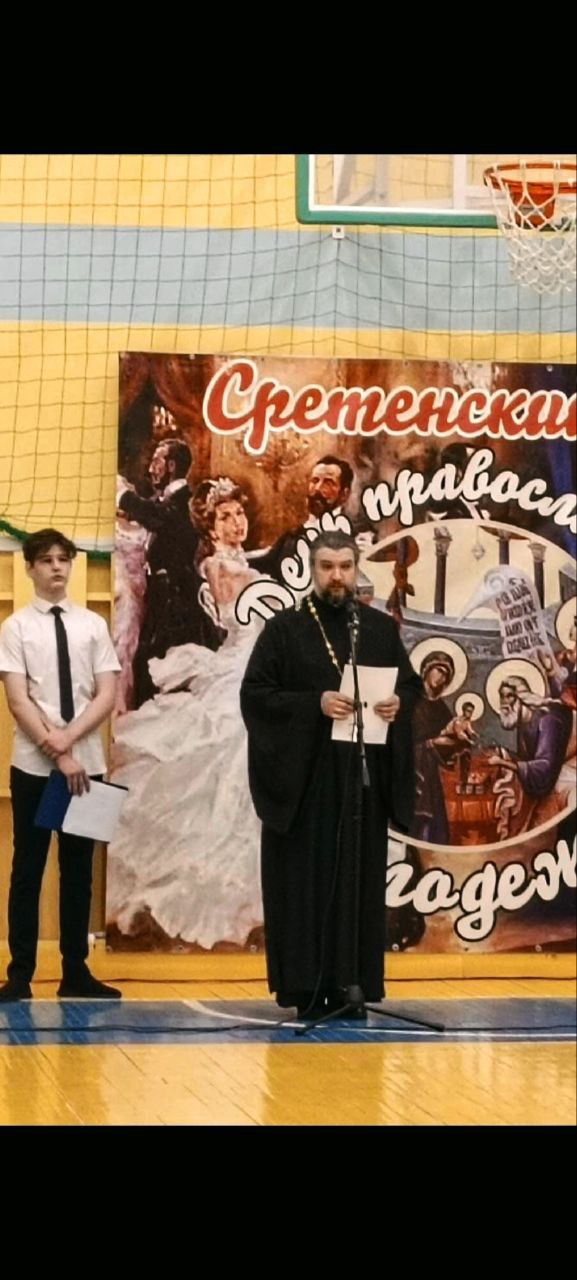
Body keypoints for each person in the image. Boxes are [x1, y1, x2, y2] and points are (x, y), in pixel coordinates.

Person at [239, 530, 422, 1019]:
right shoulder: (284, 630)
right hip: (304, 786)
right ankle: (305, 989)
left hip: (360, 785)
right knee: (305, 888)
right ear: (312, 570)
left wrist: (399, 702)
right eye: (327, 566)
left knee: (356, 886)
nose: (336, 576)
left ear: (356, 568)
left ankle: (351, 985)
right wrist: (313, 704)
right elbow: (255, 696)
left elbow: (410, 685)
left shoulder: (378, 629)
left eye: (345, 566)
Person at [107, 479, 270, 950]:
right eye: (225, 517)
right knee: (221, 753)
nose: (236, 523)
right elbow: (235, 614)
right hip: (240, 663)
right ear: (210, 527)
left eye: (239, 514)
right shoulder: (219, 566)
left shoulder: (247, 563)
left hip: (256, 664)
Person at [0, 529, 122, 1002]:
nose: (56, 567)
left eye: (63, 559)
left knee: (78, 870)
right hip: (35, 766)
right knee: (28, 868)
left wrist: (71, 743)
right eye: (46, 560)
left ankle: (76, 971)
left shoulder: (92, 624)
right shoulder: (16, 628)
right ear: (30, 568)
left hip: (86, 765)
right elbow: (18, 699)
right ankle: (20, 975)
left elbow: (106, 693)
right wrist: (58, 751)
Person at [117, 437, 225, 707]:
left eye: (157, 462)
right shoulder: (164, 501)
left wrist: (122, 495)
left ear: (172, 466)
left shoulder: (183, 502)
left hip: (176, 602)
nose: (150, 469)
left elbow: (157, 516)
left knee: (164, 669)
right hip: (159, 597)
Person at [251, 454, 374, 583]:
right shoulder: (291, 539)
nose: (317, 488)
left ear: (344, 494)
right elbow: (264, 564)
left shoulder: (359, 539)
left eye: (328, 482)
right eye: (315, 481)